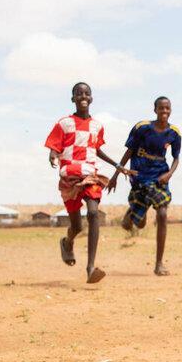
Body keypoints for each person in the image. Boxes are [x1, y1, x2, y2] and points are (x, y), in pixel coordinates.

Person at [45, 82, 133, 283]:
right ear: (73, 98)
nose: (83, 96)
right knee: (77, 226)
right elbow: (54, 146)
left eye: (86, 93)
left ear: (91, 98)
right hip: (70, 175)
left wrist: (117, 165)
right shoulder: (64, 123)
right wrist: (52, 156)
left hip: (91, 174)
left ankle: (90, 267)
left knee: (93, 213)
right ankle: (67, 242)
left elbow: (96, 149)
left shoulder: (97, 126)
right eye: (78, 93)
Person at [108, 96, 181, 276]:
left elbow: (176, 157)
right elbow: (129, 151)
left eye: (167, 108)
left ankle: (158, 264)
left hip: (159, 179)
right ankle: (133, 213)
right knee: (137, 224)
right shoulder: (142, 128)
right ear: (155, 110)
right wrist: (116, 174)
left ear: (170, 110)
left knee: (162, 214)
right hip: (140, 178)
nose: (164, 112)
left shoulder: (174, 133)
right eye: (161, 108)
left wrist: (169, 174)